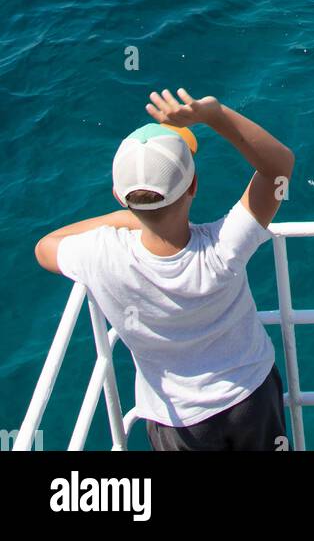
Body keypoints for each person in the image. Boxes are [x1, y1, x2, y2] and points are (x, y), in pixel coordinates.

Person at [35, 89, 295, 452]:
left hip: (176, 421)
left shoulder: (100, 255)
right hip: (251, 397)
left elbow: (44, 247)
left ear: (118, 194)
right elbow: (279, 167)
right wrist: (215, 115)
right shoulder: (225, 247)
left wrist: (120, 219)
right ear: (193, 185)